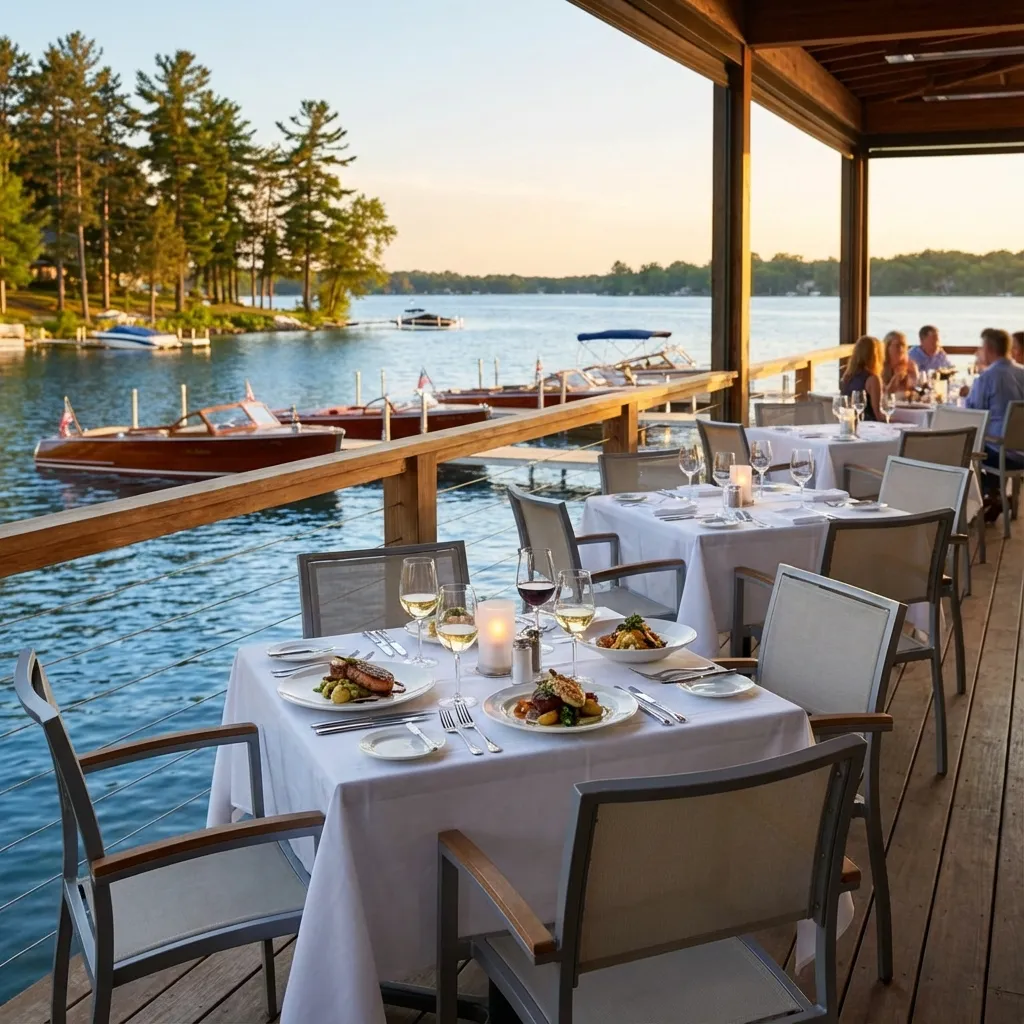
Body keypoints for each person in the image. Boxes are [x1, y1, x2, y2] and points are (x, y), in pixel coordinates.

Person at [961, 327, 1024, 519]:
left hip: (1001, 453)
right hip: (1021, 451)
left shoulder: (987, 378)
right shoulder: (1022, 373)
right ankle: (995, 495)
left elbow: (972, 414)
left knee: (964, 448)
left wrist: (966, 395)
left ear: (988, 349)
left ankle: (982, 499)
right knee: (991, 439)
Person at [840, 334, 884, 422]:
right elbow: (877, 414)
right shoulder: (872, 379)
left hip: (849, 424)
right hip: (869, 427)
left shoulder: (847, 376)